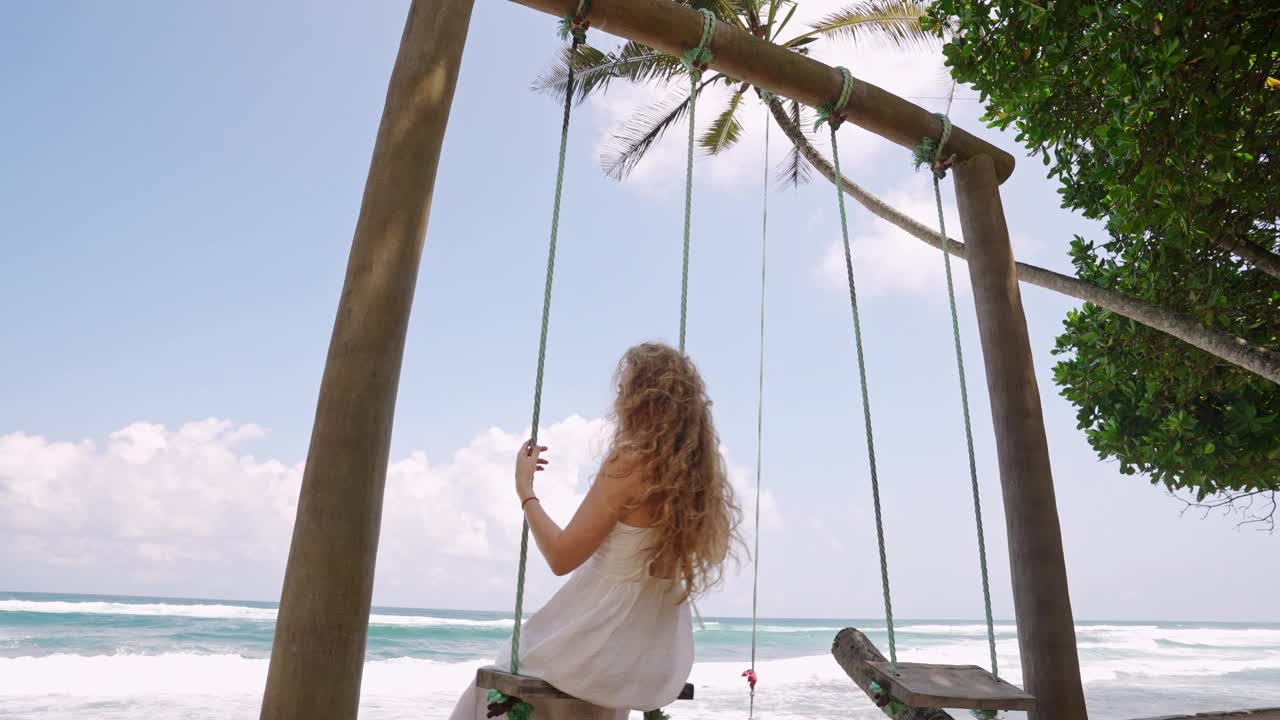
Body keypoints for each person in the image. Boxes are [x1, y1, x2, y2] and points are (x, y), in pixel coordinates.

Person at [449, 342, 742, 720]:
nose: (617, 401)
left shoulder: (630, 463)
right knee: (599, 700)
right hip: (652, 656)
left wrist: (525, 491)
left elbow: (560, 556)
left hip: (598, 642)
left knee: (491, 684)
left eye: (624, 391)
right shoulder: (694, 482)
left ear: (645, 401)